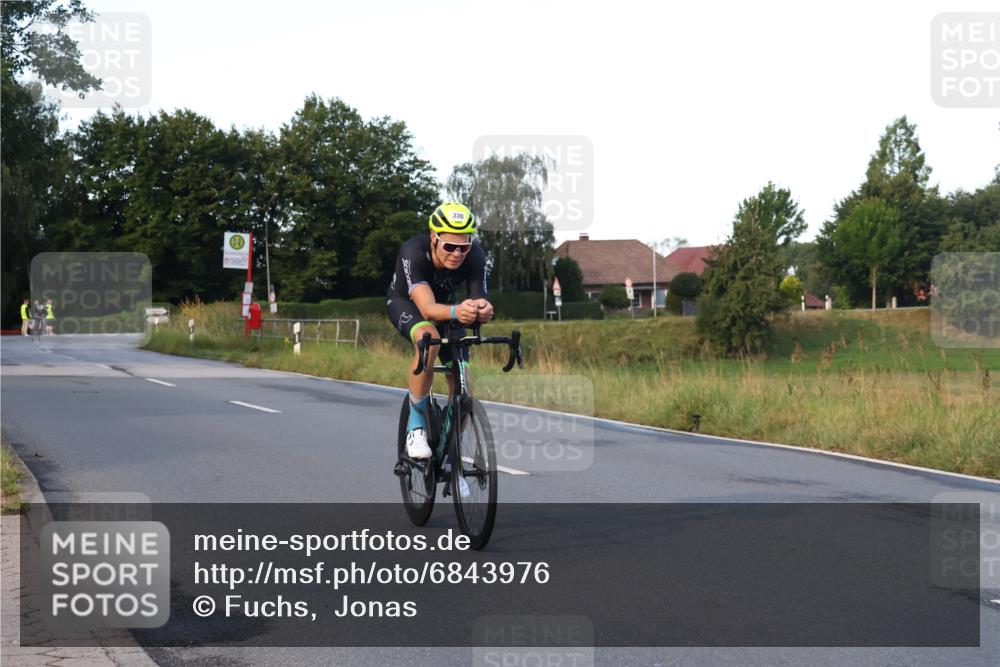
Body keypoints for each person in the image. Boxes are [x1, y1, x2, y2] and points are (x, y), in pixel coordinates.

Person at [386, 202, 494, 459]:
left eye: (463, 247)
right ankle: (416, 426)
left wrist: (484, 310)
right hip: (408, 304)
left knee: (463, 378)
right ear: (434, 238)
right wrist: (459, 312)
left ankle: (449, 449)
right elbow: (428, 309)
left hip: (447, 308)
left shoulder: (476, 256)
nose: (457, 253)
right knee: (429, 339)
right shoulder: (413, 252)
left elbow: (479, 299)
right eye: (449, 246)